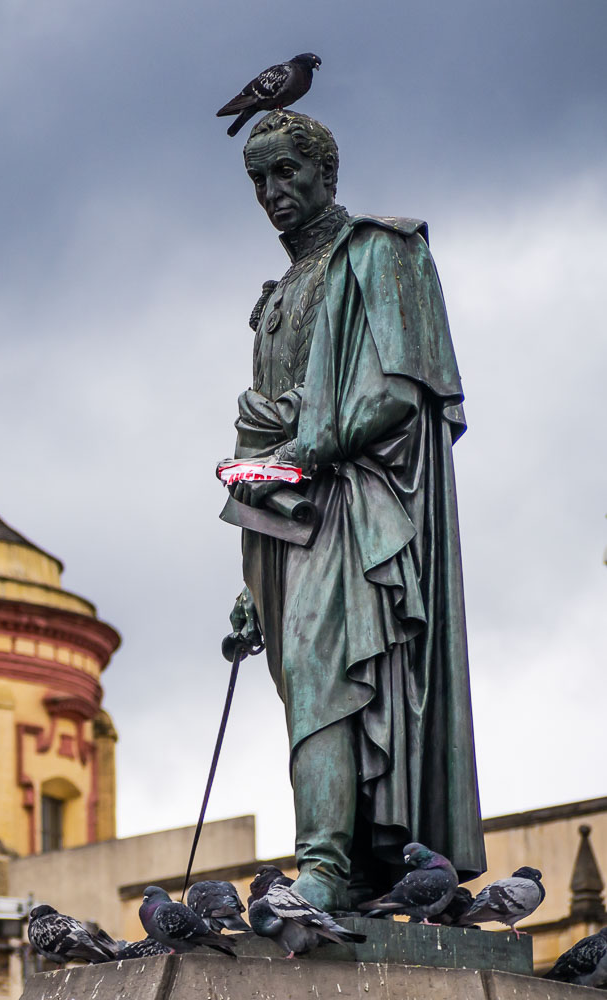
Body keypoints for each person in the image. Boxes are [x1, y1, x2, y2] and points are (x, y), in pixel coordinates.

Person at [221, 110, 485, 911]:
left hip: (362, 508)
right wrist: (252, 575)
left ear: (325, 174)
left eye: (285, 174)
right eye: (257, 179)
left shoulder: (382, 251)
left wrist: (299, 450)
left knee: (324, 674)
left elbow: (401, 388)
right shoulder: (274, 298)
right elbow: (268, 430)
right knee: (308, 682)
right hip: (287, 520)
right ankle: (356, 864)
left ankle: (327, 866)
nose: (271, 193)